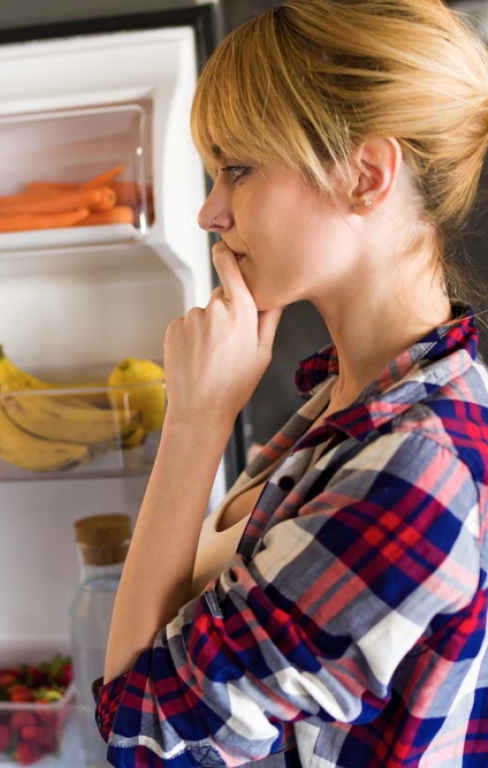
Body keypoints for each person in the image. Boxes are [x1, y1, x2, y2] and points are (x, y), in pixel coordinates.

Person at [93, 0, 488, 766]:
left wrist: (196, 423)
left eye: (237, 169)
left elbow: (144, 737)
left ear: (366, 177)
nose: (211, 212)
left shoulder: (415, 470)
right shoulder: (348, 404)